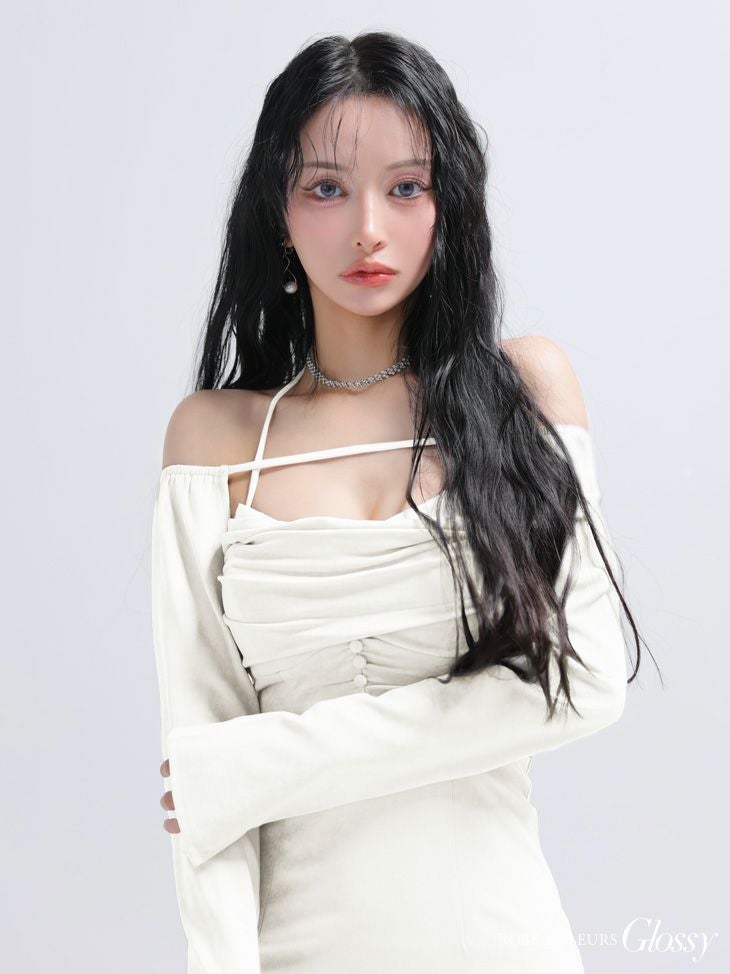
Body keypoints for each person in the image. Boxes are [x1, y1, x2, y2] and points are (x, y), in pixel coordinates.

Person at [150, 30, 648, 974]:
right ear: (278, 212)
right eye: (326, 188)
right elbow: (204, 797)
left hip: (499, 941)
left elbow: (584, 681)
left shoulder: (523, 392)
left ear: (447, 204)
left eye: (407, 187)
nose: (368, 228)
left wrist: (261, 765)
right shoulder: (214, 440)